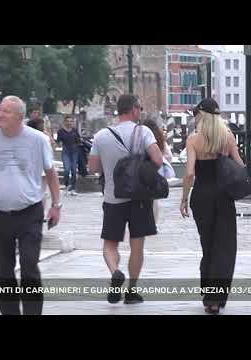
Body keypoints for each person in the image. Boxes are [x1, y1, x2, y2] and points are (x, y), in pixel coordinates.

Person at [0, 96, 61, 315]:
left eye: (6, 111)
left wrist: (57, 204)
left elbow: (51, 172)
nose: (0, 114)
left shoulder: (37, 140)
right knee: (4, 271)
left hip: (29, 212)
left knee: (29, 265)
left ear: (19, 116)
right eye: (0, 110)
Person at [88, 94, 163, 305]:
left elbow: (92, 168)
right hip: (139, 198)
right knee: (137, 245)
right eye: (139, 107)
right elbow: (158, 159)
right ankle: (132, 291)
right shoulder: (143, 132)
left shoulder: (102, 135)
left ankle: (115, 272)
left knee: (110, 244)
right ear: (134, 110)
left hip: (113, 197)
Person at [180, 98, 243, 315]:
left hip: (202, 197)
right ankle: (217, 298)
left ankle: (209, 295)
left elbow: (189, 173)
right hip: (224, 196)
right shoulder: (227, 137)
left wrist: (183, 199)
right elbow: (240, 166)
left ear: (201, 115)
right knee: (224, 247)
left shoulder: (193, 140)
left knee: (207, 245)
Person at [142, 118, 173, 230]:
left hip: (142, 171)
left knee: (143, 198)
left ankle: (143, 222)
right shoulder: (159, 140)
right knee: (154, 199)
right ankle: (153, 224)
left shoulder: (142, 138)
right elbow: (169, 156)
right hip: (156, 171)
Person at [27, 118, 53, 217]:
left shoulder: (25, 137)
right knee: (42, 191)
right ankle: (41, 213)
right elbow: (49, 154)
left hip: (32, 168)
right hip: (42, 168)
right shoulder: (44, 138)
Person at [57, 116, 81, 196]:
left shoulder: (75, 130)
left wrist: (79, 144)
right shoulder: (61, 131)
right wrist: (58, 143)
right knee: (67, 169)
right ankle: (67, 186)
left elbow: (78, 140)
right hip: (66, 151)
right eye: (68, 121)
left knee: (74, 169)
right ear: (64, 122)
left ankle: (73, 188)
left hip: (74, 151)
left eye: (71, 121)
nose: (69, 123)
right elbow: (58, 141)